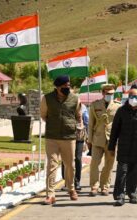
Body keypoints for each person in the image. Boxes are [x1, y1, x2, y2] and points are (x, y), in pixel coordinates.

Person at [108, 88, 137, 206]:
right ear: (128, 97)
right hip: (124, 148)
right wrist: (111, 147)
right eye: (132, 96)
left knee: (134, 173)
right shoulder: (121, 111)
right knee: (122, 172)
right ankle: (120, 196)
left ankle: (132, 194)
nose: (134, 99)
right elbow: (114, 130)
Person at [40, 75, 82, 205]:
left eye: (68, 86)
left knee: (70, 165)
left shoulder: (75, 99)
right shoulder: (47, 98)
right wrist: (55, 124)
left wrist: (76, 127)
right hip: (52, 137)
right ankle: (50, 194)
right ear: (57, 87)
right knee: (52, 165)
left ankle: (71, 189)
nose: (67, 88)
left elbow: (78, 116)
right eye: (64, 87)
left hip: (69, 137)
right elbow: (43, 115)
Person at [88, 84, 121, 196]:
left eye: (112, 94)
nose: (110, 96)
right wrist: (89, 140)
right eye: (108, 94)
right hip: (97, 138)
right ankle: (94, 186)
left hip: (111, 139)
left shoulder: (118, 106)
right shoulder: (95, 104)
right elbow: (91, 123)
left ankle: (105, 186)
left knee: (109, 164)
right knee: (94, 164)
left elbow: (120, 125)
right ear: (103, 93)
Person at [61, 102, 89, 191]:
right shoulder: (63, 105)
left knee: (77, 158)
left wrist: (87, 136)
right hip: (66, 135)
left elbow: (86, 121)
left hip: (79, 135)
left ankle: (77, 182)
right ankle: (67, 182)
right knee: (66, 159)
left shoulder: (82, 106)